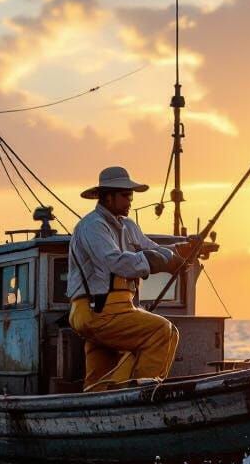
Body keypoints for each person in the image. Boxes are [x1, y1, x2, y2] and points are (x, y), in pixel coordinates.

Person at [67, 166, 190, 391]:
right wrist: (159, 261)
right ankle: (142, 395)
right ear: (107, 196)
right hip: (97, 311)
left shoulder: (129, 227)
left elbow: (152, 249)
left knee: (100, 378)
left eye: (130, 195)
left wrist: (185, 250)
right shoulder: (93, 226)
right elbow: (116, 261)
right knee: (163, 331)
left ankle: (93, 411)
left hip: (115, 311)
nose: (130, 200)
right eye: (125, 195)